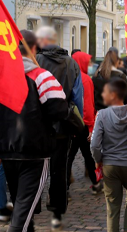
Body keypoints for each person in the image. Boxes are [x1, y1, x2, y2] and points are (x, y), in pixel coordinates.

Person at [0, 30, 71, 232]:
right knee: (22, 212)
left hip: (7, 151)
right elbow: (59, 110)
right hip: (34, 151)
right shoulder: (42, 76)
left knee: (22, 206)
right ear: (34, 49)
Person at [35, 26, 84, 230]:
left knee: (36, 167)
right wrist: (76, 123)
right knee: (59, 167)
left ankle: (34, 203)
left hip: (38, 123)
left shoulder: (36, 60)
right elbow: (77, 98)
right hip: (63, 123)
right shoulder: (72, 63)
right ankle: (57, 206)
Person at [90, 79, 127, 232]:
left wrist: (98, 160)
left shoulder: (102, 114)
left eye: (105, 91)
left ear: (113, 95)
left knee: (112, 205)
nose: (102, 94)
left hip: (110, 164)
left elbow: (94, 144)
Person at [69, 51, 103, 195]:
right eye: (88, 62)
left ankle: (63, 189)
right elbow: (88, 106)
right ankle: (96, 183)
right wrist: (90, 126)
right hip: (82, 124)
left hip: (69, 122)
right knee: (88, 155)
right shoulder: (85, 79)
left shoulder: (68, 76)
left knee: (68, 157)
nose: (90, 65)